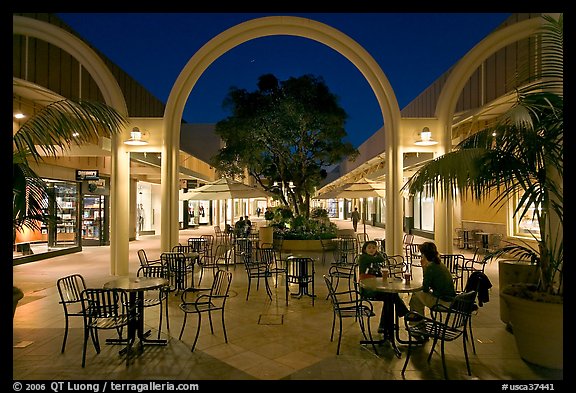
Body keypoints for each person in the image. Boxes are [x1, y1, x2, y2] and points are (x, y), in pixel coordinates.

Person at [357, 240, 410, 333]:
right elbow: (381, 258)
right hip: (367, 288)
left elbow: (381, 259)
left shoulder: (373, 258)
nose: (371, 249)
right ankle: (402, 312)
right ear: (364, 249)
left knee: (390, 295)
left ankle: (385, 325)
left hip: (375, 285)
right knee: (390, 295)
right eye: (369, 247)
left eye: (374, 247)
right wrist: (379, 253)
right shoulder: (364, 258)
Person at [408, 241, 456, 325]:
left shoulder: (431, 267)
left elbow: (425, 288)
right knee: (417, 296)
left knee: (416, 295)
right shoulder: (439, 264)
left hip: (442, 301)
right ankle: (416, 321)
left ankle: (416, 323)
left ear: (424, 254)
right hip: (450, 298)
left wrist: (424, 268)